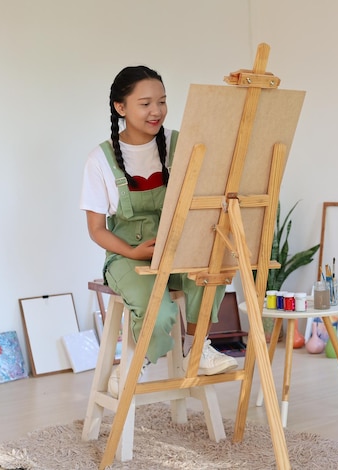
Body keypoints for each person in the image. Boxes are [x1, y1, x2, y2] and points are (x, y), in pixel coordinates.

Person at [80, 66, 237, 395]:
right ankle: (137, 362)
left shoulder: (182, 144)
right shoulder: (100, 159)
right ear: (120, 108)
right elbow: (96, 229)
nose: (156, 111)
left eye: (162, 102)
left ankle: (196, 348)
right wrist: (133, 252)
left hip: (179, 248)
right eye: (146, 103)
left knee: (212, 276)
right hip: (127, 255)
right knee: (161, 312)